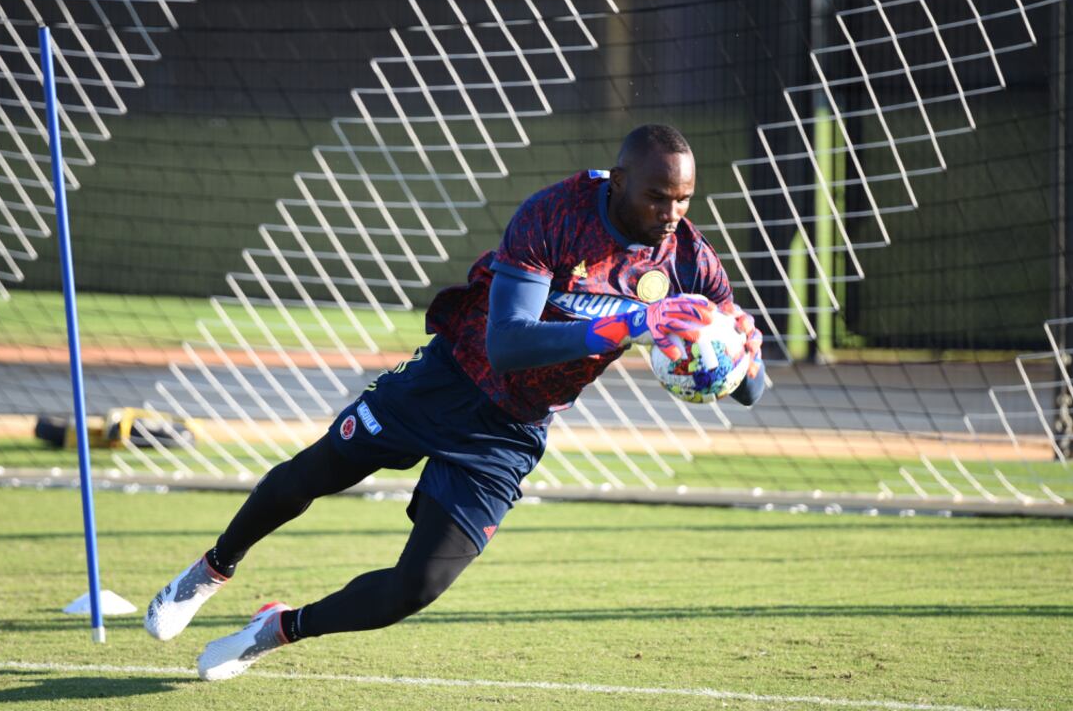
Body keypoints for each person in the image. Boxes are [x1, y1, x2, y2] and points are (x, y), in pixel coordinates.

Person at [143, 123, 766, 681]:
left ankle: (275, 629)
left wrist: (743, 350)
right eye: (658, 196)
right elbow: (508, 346)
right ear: (620, 180)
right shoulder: (553, 214)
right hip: (448, 379)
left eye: (683, 199)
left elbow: (750, 393)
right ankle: (213, 568)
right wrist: (633, 322)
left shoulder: (690, 260)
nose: (671, 212)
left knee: (416, 587)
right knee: (313, 473)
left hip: (511, 431)